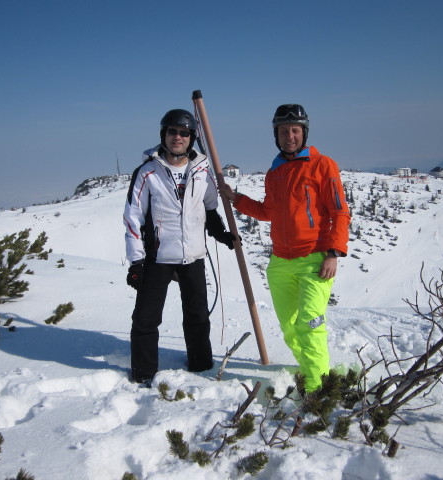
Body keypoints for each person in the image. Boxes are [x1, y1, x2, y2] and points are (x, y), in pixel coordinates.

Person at [222, 104, 350, 393]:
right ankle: (309, 370)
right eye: (283, 131)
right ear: (276, 135)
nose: (289, 136)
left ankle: (318, 391)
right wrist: (236, 198)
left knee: (310, 323)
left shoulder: (322, 165)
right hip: (280, 261)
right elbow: (268, 211)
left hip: (314, 259)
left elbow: (339, 211)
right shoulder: (274, 172)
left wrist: (334, 253)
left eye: (295, 130)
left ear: (304, 133)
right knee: (290, 327)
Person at [123, 108, 236, 385]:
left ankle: (201, 366)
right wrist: (136, 262)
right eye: (172, 131)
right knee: (146, 319)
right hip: (158, 257)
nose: (178, 137)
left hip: (193, 256)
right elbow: (133, 217)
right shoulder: (148, 172)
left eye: (184, 133)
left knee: (197, 317)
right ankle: (143, 374)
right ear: (164, 135)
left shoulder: (201, 169)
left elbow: (209, 205)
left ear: (192, 138)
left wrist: (219, 231)